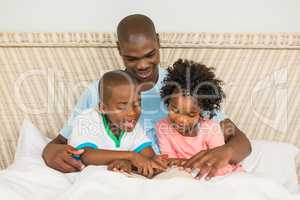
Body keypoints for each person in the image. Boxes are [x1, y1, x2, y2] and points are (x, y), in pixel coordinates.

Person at [42, 14, 251, 180]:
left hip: (173, 174)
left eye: (150, 54)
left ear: (158, 42)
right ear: (119, 49)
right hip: (127, 174)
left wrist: (227, 151)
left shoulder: (182, 87)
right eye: (131, 58)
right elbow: (61, 142)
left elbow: (239, 139)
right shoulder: (103, 89)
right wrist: (49, 152)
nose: (142, 65)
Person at [156, 59, 244, 180]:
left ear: (201, 112)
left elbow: (218, 163)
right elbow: (169, 161)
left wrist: (183, 162)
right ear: (168, 102)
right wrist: (185, 164)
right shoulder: (163, 127)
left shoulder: (211, 129)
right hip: (187, 176)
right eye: (175, 110)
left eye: (191, 114)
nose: (181, 120)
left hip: (219, 174)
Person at [68, 70, 166, 178]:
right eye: (122, 106)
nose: (132, 112)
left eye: (137, 104)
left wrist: (128, 162)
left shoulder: (133, 127)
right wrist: (131, 156)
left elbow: (148, 157)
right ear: (103, 108)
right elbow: (86, 156)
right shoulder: (86, 119)